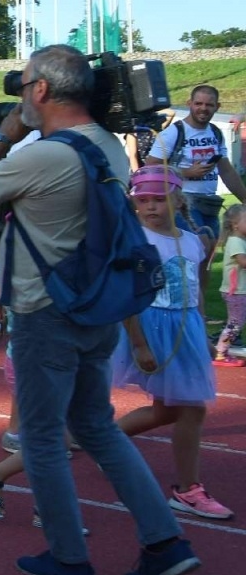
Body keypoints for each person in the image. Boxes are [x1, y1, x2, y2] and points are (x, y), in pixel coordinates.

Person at [0, 44, 199, 575]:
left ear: (41, 90)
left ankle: (69, 556)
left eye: (24, 88)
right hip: (97, 305)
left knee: (42, 436)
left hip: (47, 309)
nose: (21, 98)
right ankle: (164, 541)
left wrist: (7, 133)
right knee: (95, 426)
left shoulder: (43, 154)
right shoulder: (108, 146)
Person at [108, 166, 232, 519]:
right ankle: (188, 490)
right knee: (192, 408)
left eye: (159, 200)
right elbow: (127, 295)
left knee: (167, 410)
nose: (150, 207)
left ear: (177, 200)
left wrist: (203, 332)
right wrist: (139, 343)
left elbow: (195, 288)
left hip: (185, 326)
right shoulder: (136, 241)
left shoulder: (193, 240)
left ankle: (105, 441)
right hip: (153, 326)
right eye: (143, 200)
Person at [146, 84, 246, 272]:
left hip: (210, 202)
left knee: (206, 262)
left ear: (217, 107)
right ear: (189, 103)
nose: (203, 108)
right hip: (184, 202)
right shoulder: (173, 133)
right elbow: (150, 169)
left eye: (209, 105)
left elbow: (226, 170)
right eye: (198, 103)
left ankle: (199, 301)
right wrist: (185, 173)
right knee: (198, 250)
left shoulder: (215, 133)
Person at [217, 204, 246, 362]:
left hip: (240, 290)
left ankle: (223, 350)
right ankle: (221, 351)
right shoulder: (235, 241)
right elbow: (243, 261)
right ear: (235, 224)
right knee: (235, 323)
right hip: (236, 291)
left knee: (236, 322)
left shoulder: (241, 240)